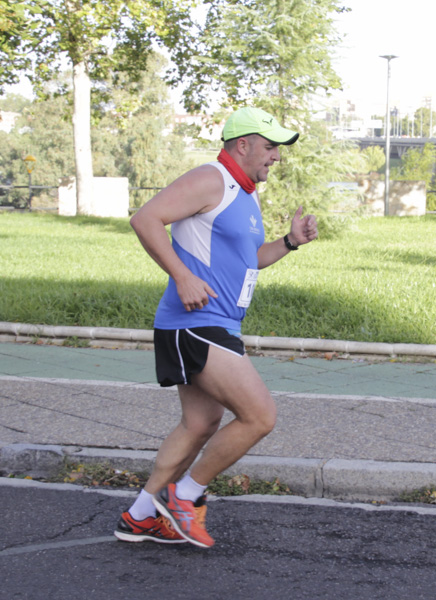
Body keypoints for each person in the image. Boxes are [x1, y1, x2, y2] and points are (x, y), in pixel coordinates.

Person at [114, 106, 318, 548]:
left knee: (200, 423)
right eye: (269, 148)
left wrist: (289, 243)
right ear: (241, 144)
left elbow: (249, 262)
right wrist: (182, 276)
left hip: (216, 322)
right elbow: (145, 219)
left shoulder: (244, 195)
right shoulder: (211, 179)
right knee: (260, 416)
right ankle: (185, 497)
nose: (276, 158)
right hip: (196, 323)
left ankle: (139, 516)